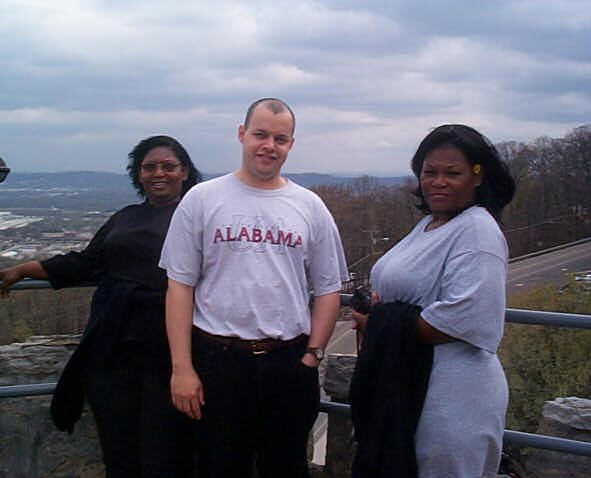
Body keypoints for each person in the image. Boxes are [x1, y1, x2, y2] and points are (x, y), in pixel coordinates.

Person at [159, 98, 349, 478]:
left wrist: (312, 355)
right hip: (218, 361)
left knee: (287, 467)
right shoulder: (202, 199)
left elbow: (328, 288)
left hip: (288, 362)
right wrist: (182, 368)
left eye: (280, 138)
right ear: (241, 134)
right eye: (260, 134)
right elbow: (179, 287)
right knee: (219, 467)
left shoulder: (309, 206)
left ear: (291, 144)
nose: (269, 146)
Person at [0, 135, 202, 478]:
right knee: (119, 452)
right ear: (138, 174)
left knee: (165, 453)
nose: (159, 173)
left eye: (169, 166)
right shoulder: (125, 217)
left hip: (169, 351)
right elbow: (86, 263)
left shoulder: (199, 216)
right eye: (149, 167)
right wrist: (23, 270)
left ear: (184, 171)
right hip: (112, 348)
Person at [350, 124, 516, 478]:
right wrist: (380, 307)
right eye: (430, 172)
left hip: (451, 400)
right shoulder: (430, 223)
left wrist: (377, 323)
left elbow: (465, 317)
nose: (438, 182)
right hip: (409, 383)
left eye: (452, 173)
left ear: (477, 176)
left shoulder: (477, 230)